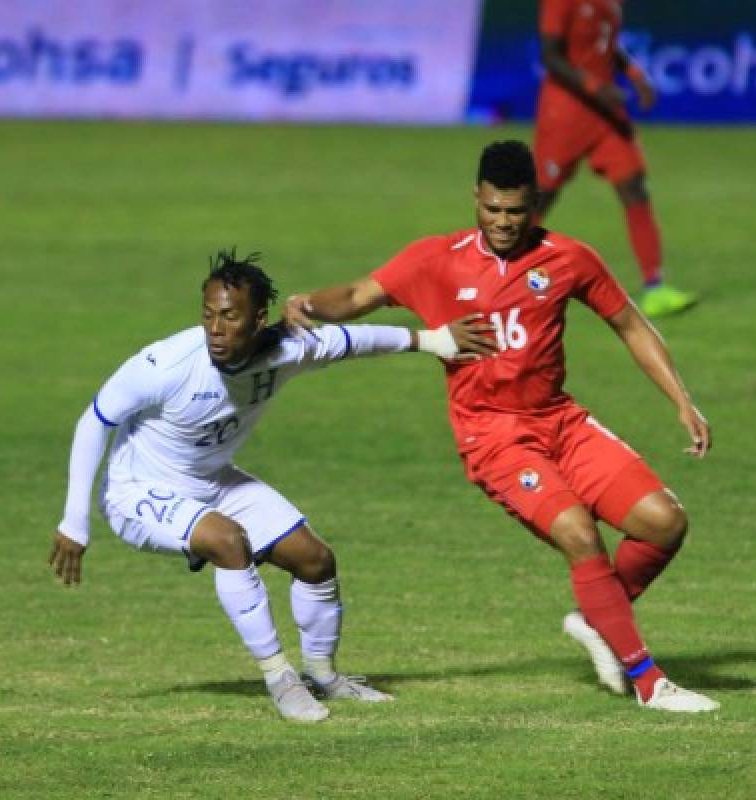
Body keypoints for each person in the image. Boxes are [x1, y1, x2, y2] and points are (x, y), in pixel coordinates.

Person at [283, 140, 719, 713]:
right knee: (580, 535)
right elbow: (360, 295)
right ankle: (648, 681)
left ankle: (597, 620)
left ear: (535, 203)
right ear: (477, 199)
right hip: (492, 437)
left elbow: (631, 325)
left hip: (560, 421)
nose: (503, 222)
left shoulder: (569, 258)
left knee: (664, 523)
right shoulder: (435, 258)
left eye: (515, 211)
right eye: (492, 209)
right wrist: (310, 302)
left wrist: (683, 402)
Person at [49, 250, 489, 722]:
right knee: (227, 541)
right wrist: (75, 522)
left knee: (315, 561)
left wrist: (432, 340)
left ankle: (324, 676)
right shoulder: (165, 364)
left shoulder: (287, 348)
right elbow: (95, 421)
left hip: (211, 480)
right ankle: (281, 679)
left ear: (258, 319)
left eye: (230, 317)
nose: (215, 329)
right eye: (208, 315)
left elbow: (351, 340)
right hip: (137, 492)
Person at [534, 0, 697, 318]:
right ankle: (491, 274)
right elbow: (551, 56)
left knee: (634, 186)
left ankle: (655, 287)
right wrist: (595, 86)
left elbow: (607, 44)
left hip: (605, 113)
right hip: (566, 112)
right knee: (541, 198)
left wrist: (635, 74)